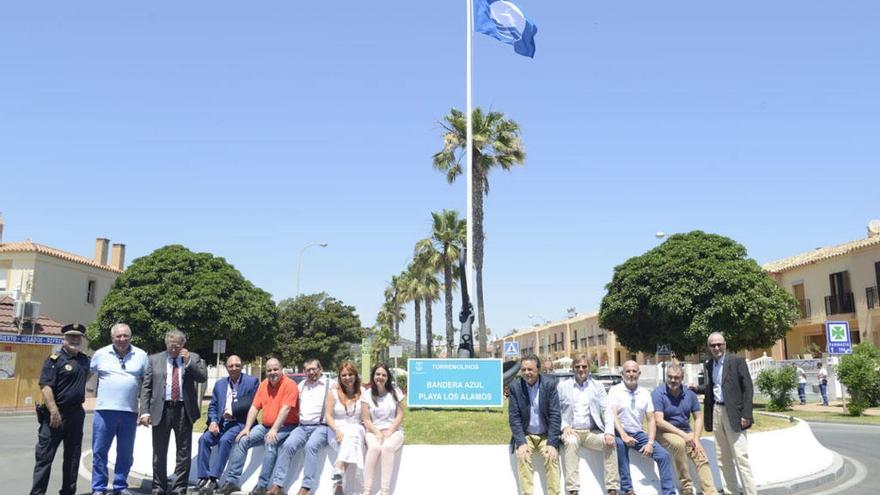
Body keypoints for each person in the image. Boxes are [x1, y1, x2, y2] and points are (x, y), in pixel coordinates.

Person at [139, 329, 207, 495]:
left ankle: (179, 488)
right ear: (166, 343)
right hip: (161, 410)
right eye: (170, 345)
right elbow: (146, 387)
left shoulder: (193, 358)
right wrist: (145, 411)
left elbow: (202, 377)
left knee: (183, 452)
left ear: (183, 345)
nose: (173, 349)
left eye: (177, 345)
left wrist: (189, 361)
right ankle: (158, 487)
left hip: (184, 410)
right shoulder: (154, 360)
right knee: (159, 452)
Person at [218, 358, 299, 495]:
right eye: (269, 370)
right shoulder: (264, 385)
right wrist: (247, 428)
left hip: (286, 426)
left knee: (270, 441)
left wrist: (274, 429)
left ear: (281, 369)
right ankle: (232, 481)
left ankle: (261, 485)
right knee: (243, 440)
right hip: (265, 426)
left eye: (275, 369)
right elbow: (254, 407)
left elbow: (285, 409)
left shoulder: (290, 384)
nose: (272, 372)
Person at [30, 323, 90, 495]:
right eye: (71, 336)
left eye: (78, 337)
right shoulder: (54, 360)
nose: (74, 340)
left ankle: (68, 492)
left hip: (76, 415)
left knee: (72, 458)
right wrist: (54, 411)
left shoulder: (85, 360)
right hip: (55, 416)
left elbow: (84, 378)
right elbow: (45, 386)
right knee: (44, 459)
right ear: (64, 339)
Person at [90, 323, 149, 495]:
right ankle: (98, 487)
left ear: (130, 337)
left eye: (125, 336)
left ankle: (120, 485)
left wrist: (144, 409)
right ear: (112, 338)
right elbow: (88, 376)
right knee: (100, 451)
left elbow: (146, 385)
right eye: (118, 336)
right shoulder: (100, 354)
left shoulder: (141, 355)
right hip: (104, 411)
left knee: (125, 452)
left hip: (129, 413)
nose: (122, 339)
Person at [608, 360, 676, 495]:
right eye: (628, 371)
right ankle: (627, 489)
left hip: (638, 434)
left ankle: (669, 492)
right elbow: (613, 415)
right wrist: (624, 435)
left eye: (634, 371)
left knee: (664, 456)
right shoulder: (615, 391)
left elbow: (651, 420)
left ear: (639, 373)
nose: (631, 374)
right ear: (622, 374)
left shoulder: (644, 393)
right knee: (620, 446)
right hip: (618, 431)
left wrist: (650, 442)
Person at [195, 355, 259, 494]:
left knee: (224, 440)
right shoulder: (220, 384)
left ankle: (214, 479)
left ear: (241, 366)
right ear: (226, 368)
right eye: (231, 366)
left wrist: (233, 411)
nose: (234, 368)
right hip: (221, 423)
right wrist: (212, 421)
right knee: (204, 439)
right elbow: (212, 406)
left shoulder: (251, 381)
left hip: (239, 423)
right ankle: (203, 477)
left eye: (237, 365)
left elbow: (252, 402)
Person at [556, 356, 619, 495]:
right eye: (577, 366)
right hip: (571, 431)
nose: (581, 369)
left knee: (610, 443)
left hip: (591, 432)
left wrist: (609, 432)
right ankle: (573, 490)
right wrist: (564, 426)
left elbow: (607, 410)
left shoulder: (597, 386)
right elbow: (556, 411)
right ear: (573, 368)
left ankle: (612, 488)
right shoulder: (563, 386)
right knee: (571, 443)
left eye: (584, 366)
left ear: (589, 368)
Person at [703, 332, 757, 495]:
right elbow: (714, 388)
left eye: (719, 344)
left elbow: (748, 388)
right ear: (709, 347)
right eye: (713, 345)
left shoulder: (736, 361)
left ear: (725, 344)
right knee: (723, 458)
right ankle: (730, 492)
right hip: (717, 412)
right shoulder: (710, 364)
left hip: (734, 413)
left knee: (740, 457)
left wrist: (746, 415)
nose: (716, 347)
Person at [268, 359, 332, 495]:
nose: (311, 372)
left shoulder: (330, 384)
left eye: (314, 369)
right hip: (302, 427)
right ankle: (278, 485)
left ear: (320, 369)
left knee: (311, 446)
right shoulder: (301, 386)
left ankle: (306, 487)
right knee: (287, 445)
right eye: (308, 370)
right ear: (304, 372)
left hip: (321, 426)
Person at [652, 362, 717, 495]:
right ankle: (686, 488)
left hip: (685, 431)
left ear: (682, 378)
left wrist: (697, 439)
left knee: (700, 454)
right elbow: (659, 421)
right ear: (666, 377)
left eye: (676, 377)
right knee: (678, 444)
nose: (673, 380)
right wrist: (683, 434)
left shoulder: (690, 394)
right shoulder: (658, 393)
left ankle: (711, 491)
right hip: (664, 431)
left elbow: (698, 417)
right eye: (670, 377)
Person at [508, 355, 561, 495]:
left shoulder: (549, 384)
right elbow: (514, 418)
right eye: (523, 369)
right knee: (523, 457)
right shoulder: (515, 387)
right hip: (527, 435)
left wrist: (552, 442)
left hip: (546, 435)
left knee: (551, 458)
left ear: (538, 369)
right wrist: (521, 442)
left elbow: (555, 415)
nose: (526, 373)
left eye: (530, 369)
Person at [361, 363, 406, 495]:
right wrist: (377, 432)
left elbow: (400, 415)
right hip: (373, 431)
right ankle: (366, 491)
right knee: (374, 448)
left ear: (387, 377)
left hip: (394, 431)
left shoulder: (395, 392)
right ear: (373, 376)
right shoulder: (367, 394)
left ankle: (385, 491)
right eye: (378, 374)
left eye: (383, 375)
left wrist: (390, 431)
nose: (380, 377)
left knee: (387, 447)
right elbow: (366, 419)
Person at [324, 362, 366, 495]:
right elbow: (328, 416)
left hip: (356, 428)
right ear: (339, 377)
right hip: (336, 429)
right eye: (344, 375)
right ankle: (340, 482)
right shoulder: (333, 392)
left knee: (353, 432)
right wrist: (336, 430)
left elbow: (366, 415)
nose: (347, 377)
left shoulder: (363, 392)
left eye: (350, 374)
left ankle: (338, 473)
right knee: (350, 438)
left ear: (356, 375)